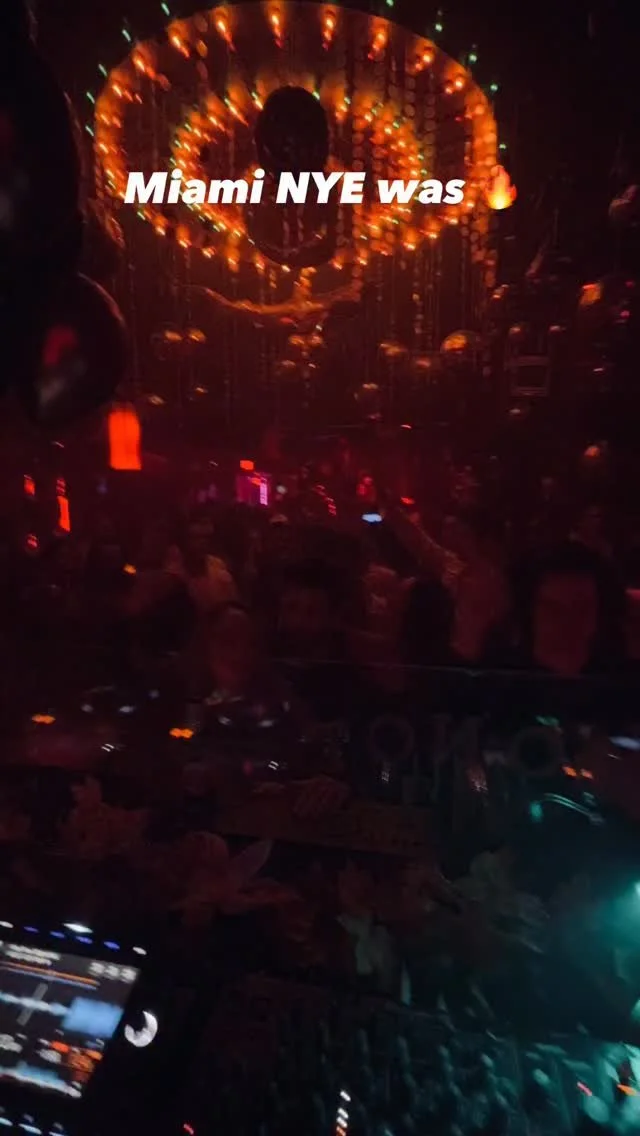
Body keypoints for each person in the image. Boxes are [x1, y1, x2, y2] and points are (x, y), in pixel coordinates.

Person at [499, 542, 626, 676]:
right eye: (553, 611)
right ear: (528, 615)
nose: (568, 624)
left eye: (581, 610)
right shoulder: (497, 681)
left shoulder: (624, 682)